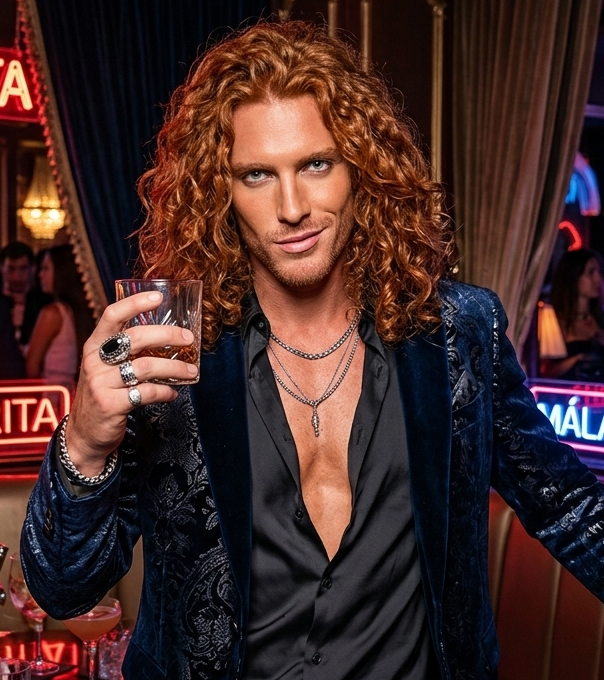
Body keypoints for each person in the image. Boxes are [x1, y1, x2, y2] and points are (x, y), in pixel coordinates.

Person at [21, 21, 604, 680]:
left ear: (362, 167)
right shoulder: (175, 354)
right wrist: (85, 441)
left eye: (316, 165)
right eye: (257, 175)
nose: (292, 206)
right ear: (221, 191)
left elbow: (570, 507)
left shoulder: (459, 332)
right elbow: (63, 589)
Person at [26, 245, 94, 390]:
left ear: (62, 273)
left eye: (46, 268)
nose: (40, 275)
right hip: (77, 391)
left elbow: (32, 367)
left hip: (54, 394)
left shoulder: (53, 313)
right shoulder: (86, 310)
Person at [543, 248, 604, 381]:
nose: (598, 279)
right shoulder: (554, 321)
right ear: (573, 276)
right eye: (590, 272)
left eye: (599, 272)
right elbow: (544, 372)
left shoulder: (599, 318)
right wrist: (577, 360)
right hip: (569, 390)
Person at [0, 241, 53, 353]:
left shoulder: (45, 302)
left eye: (23, 268)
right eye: (11, 269)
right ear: (2, 268)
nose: (17, 276)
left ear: (33, 268)